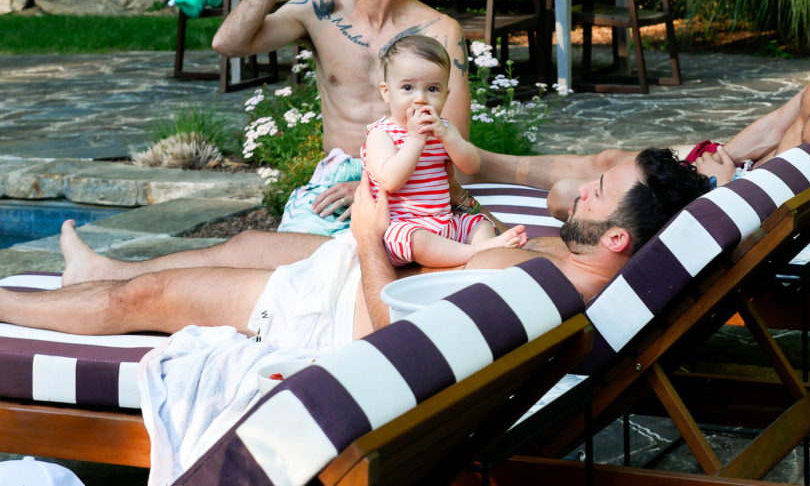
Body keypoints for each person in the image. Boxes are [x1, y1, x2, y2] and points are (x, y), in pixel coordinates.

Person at [2, 150, 712, 347]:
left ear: (619, 236)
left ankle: (16, 302)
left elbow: (392, 333)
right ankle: (96, 268)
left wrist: (372, 229)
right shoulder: (575, 258)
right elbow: (558, 198)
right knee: (249, 236)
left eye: (599, 192)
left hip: (331, 316)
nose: (582, 191)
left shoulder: (524, 277)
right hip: (347, 279)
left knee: (146, 301)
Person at [474, 0, 810, 214]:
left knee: (567, 196)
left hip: (738, 201)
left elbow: (800, 208)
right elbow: (788, 119)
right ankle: (478, 163)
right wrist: (718, 157)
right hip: (737, 175)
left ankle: (481, 171)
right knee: (610, 157)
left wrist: (721, 186)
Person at [212, 0, 471, 236]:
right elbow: (226, 43)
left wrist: (373, 186)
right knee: (294, 267)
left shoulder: (440, 31)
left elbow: (453, 143)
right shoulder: (318, 13)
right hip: (334, 187)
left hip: (411, 184)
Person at [364, 35, 525, 267]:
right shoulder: (382, 133)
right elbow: (390, 181)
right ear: (386, 92)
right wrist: (414, 141)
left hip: (445, 222)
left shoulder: (444, 130)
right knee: (417, 240)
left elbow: (471, 165)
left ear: (445, 95)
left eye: (432, 89)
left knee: (478, 223)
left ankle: (481, 253)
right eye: (407, 88)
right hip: (403, 227)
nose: (420, 99)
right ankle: (477, 253)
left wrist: (448, 137)